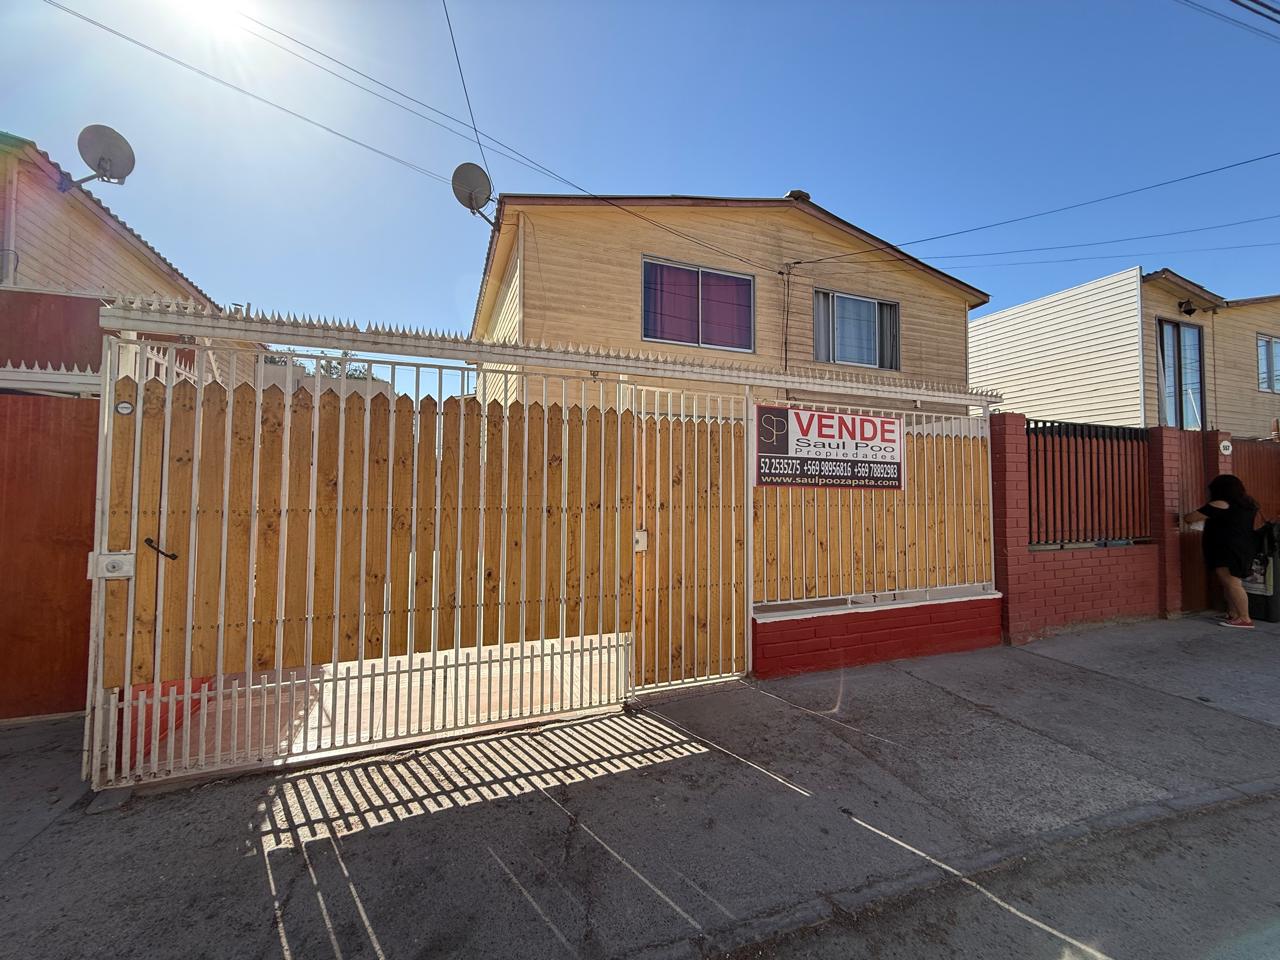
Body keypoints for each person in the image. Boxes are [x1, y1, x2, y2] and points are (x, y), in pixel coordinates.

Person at [1184, 474, 1259, 629]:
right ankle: (1233, 614)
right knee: (1229, 582)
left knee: (1232, 583)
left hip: (1226, 548)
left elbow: (1190, 518)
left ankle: (1245, 618)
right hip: (1243, 546)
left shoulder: (1221, 504)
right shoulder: (1248, 504)